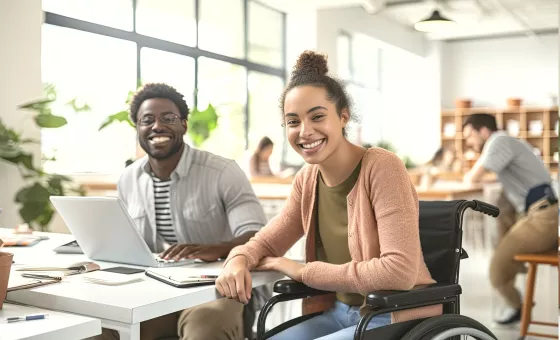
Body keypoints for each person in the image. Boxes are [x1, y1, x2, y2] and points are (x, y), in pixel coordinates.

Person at [215, 51, 441, 340]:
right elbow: (268, 241)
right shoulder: (307, 180)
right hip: (341, 313)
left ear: (343, 115)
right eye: (293, 122)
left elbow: (398, 272)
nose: (305, 132)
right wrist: (238, 259)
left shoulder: (383, 167)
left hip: (394, 313)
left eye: (317, 117)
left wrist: (301, 271)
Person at [97, 83, 268, 340]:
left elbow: (258, 235)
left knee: (206, 326)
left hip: (218, 289)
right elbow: (127, 241)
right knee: (99, 328)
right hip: (156, 289)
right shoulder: (128, 179)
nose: (157, 126)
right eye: (147, 120)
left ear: (184, 125)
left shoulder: (222, 172)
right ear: (138, 129)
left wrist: (218, 248)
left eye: (168, 118)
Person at [462, 113, 558, 325]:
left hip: (543, 218)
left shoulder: (498, 141)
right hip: (545, 214)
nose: (468, 142)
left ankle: (517, 307)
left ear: (484, 131)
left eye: (470, 136)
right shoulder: (507, 142)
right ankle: (516, 303)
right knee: (505, 252)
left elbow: (472, 177)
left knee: (497, 269)